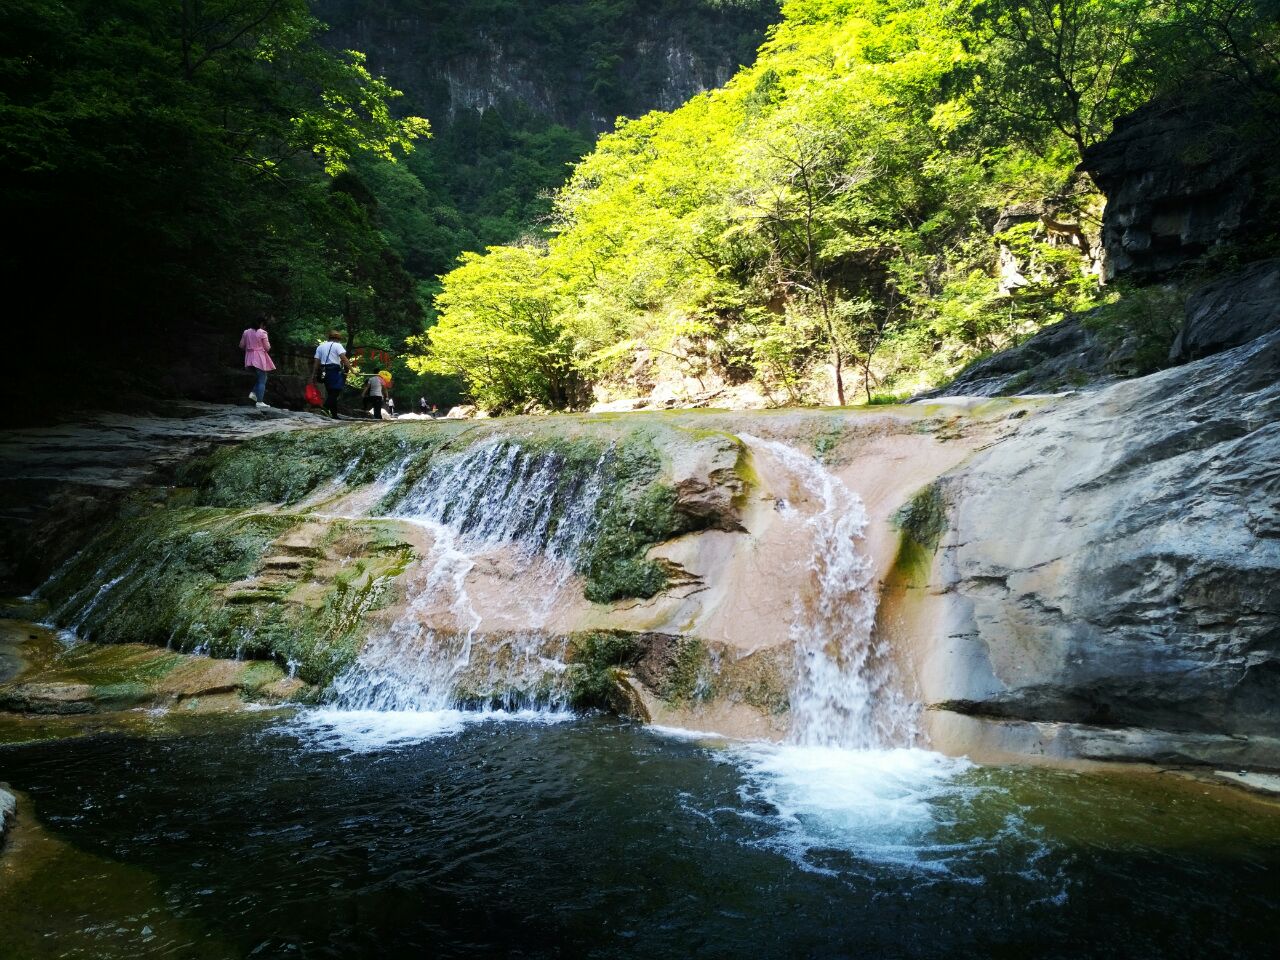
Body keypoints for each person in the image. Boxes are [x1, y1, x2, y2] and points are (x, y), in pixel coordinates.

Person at [311, 331, 350, 418]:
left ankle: (334, 415)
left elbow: (316, 362)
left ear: (329, 338)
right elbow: (343, 358)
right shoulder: (337, 345)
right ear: (338, 339)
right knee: (336, 391)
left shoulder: (320, 347)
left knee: (331, 393)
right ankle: (325, 408)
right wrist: (352, 370)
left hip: (324, 371)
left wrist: (313, 374)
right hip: (334, 370)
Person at [239, 317, 276, 409]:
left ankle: (254, 393)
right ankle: (259, 402)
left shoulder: (246, 332)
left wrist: (250, 349)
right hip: (259, 357)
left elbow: (241, 345)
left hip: (249, 357)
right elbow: (267, 348)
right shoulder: (262, 333)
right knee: (262, 379)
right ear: (261, 324)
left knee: (261, 378)